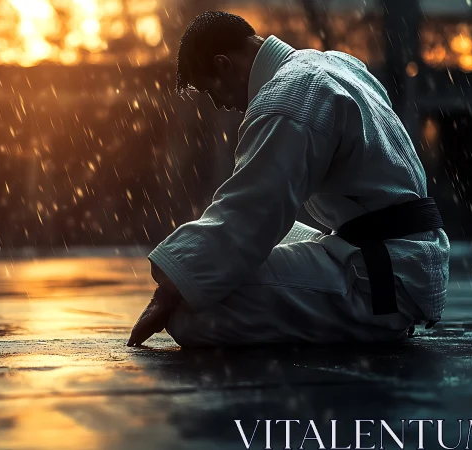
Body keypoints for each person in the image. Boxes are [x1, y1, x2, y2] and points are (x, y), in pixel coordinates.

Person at [126, 11, 450, 347]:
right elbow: (258, 212)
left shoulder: (288, 95)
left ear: (223, 65)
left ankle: (377, 324)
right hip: (403, 256)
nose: (218, 104)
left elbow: (252, 214)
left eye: (210, 91)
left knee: (191, 310)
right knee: (211, 270)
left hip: (382, 280)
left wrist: (170, 286)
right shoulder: (337, 64)